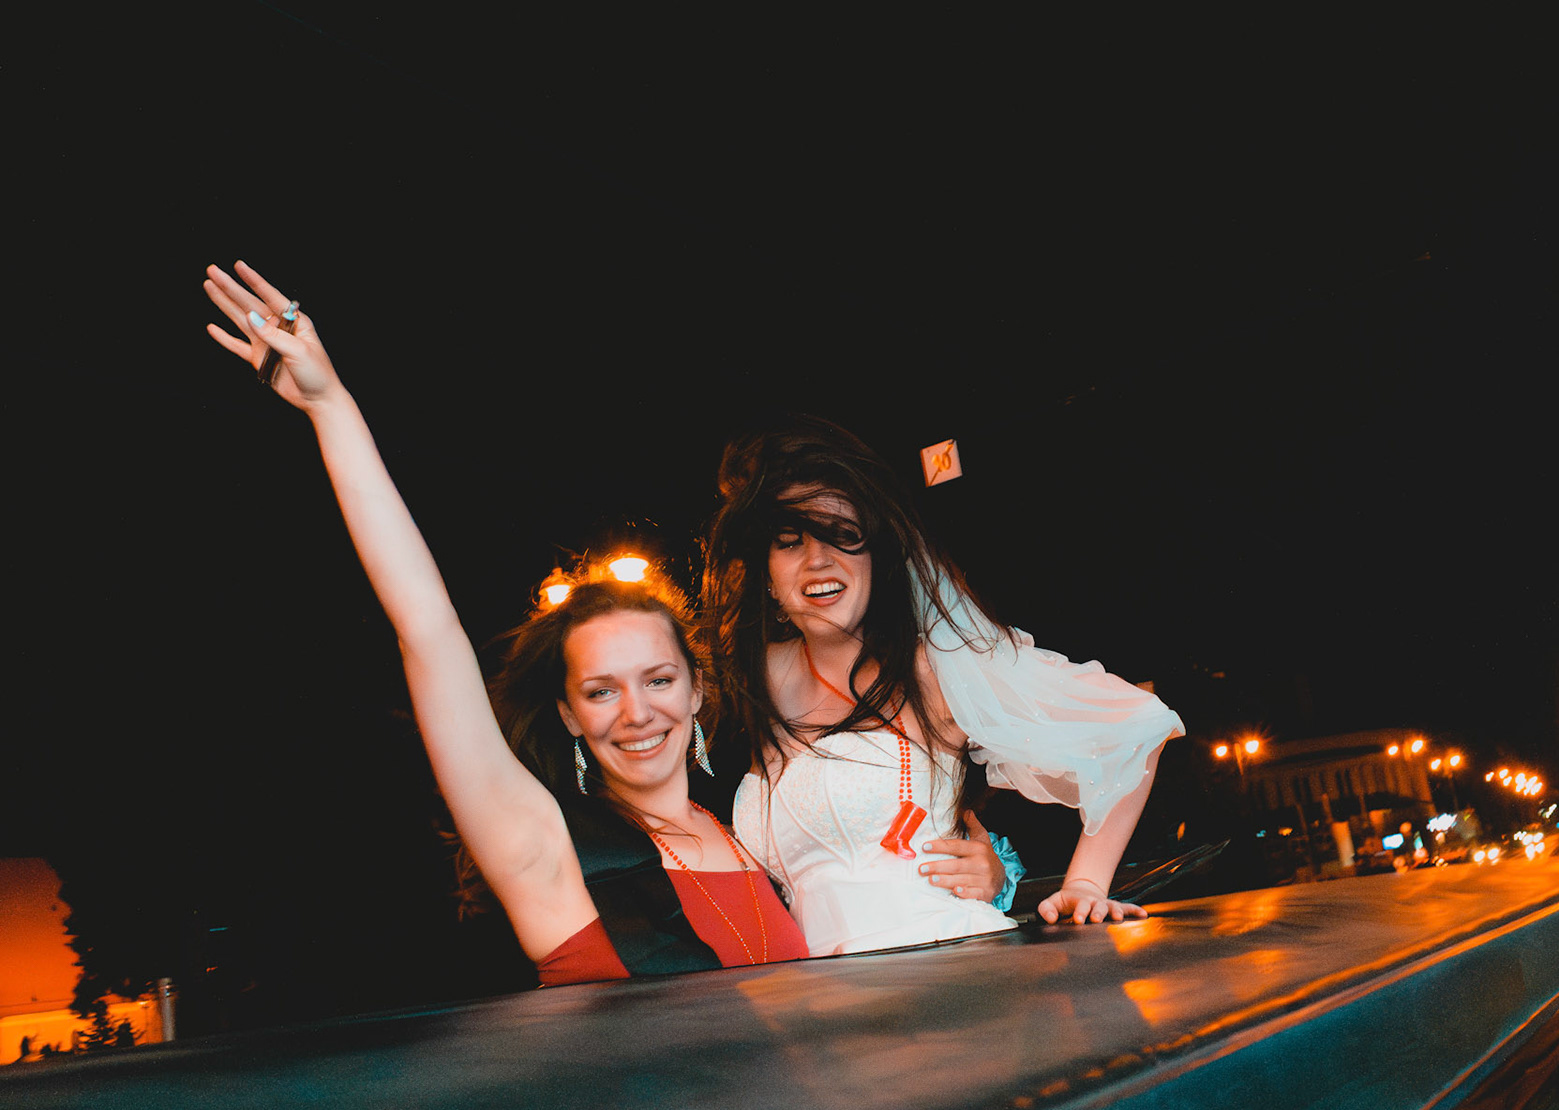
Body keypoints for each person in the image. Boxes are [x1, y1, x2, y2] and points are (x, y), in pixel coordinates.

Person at [200, 263, 1004, 981]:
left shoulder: (749, 839)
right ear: (569, 714)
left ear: (697, 693)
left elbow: (878, 877)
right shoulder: (544, 846)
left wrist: (994, 868)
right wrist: (331, 407)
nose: (637, 712)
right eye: (601, 690)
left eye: (658, 679)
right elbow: (427, 629)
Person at [704, 418, 1185, 955]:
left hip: (947, 966)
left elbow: (1135, 723)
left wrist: (1086, 883)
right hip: (817, 988)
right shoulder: (756, 682)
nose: (818, 559)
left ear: (875, 556)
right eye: (789, 542)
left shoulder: (935, 668)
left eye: (843, 535)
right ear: (767, 575)